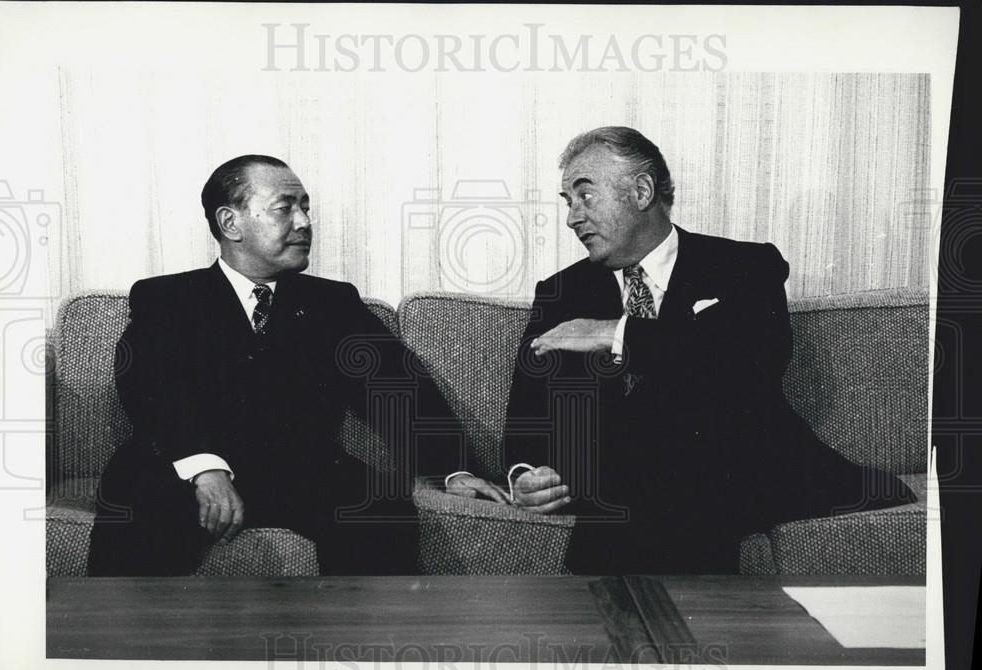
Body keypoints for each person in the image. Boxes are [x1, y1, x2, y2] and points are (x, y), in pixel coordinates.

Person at [451, 127, 915, 574]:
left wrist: (616, 332)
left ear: (642, 190)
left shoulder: (746, 266)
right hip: (638, 490)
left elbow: (752, 363)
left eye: (585, 194)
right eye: (568, 202)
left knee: (692, 417)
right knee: (653, 467)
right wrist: (525, 475)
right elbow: (528, 413)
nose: (572, 216)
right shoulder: (560, 293)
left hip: (746, 470)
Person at [87, 155, 471, 576]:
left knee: (380, 507)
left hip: (298, 472)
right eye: (285, 208)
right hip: (185, 467)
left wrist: (454, 469)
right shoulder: (167, 298)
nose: (304, 222)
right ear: (231, 223)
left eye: (306, 207)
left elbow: (398, 388)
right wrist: (204, 465)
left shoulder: (333, 303)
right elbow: (151, 385)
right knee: (138, 496)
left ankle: (361, 641)